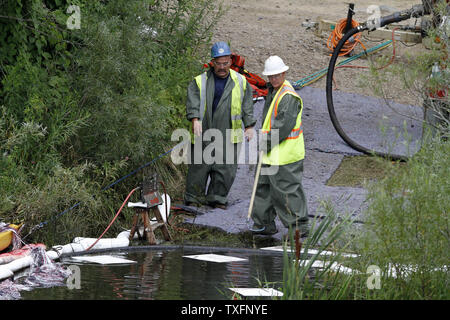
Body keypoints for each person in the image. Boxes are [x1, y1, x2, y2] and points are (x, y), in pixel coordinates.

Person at [184, 41, 256, 209]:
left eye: (225, 63)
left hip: (230, 131)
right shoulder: (199, 81)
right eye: (219, 63)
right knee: (199, 165)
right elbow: (193, 101)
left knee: (226, 167)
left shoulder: (240, 81)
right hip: (204, 129)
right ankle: (193, 198)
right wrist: (195, 120)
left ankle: (217, 198)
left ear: (231, 61)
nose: (222, 67)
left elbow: (247, 105)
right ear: (212, 62)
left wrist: (249, 126)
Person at [250, 55, 309, 237]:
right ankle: (263, 223)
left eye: (276, 75)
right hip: (271, 153)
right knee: (264, 188)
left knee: (287, 192)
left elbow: (282, 127)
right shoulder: (274, 92)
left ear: (284, 73)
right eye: (271, 76)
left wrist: (263, 144)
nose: (273, 79)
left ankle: (298, 228)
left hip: (286, 155)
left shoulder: (288, 97)